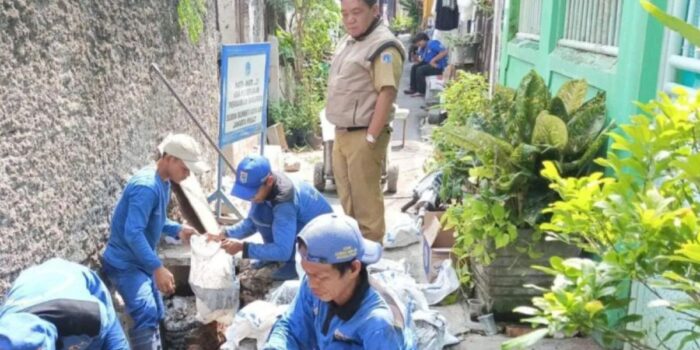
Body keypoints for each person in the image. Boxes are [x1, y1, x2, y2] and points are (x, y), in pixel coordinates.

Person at [101, 133, 207, 349]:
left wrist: (177, 229)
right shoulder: (147, 187)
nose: (187, 175)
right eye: (185, 169)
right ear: (170, 158)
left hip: (140, 260)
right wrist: (157, 268)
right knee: (146, 312)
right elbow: (133, 233)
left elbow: (154, 218)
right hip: (124, 264)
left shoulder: (164, 182)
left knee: (158, 311)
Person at [264, 214, 413, 349]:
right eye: (308, 274)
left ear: (353, 269)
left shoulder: (378, 325)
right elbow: (291, 327)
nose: (311, 284)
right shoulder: (314, 284)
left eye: (321, 277)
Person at [326, 0, 406, 243]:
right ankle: (355, 256)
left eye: (357, 12)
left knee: (366, 203)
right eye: (345, 13)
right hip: (342, 133)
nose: (349, 19)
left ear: (375, 11)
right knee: (348, 199)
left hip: (364, 135)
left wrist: (371, 136)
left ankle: (371, 257)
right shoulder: (351, 40)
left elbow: (387, 92)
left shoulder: (383, 46)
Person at [208, 154, 333, 281]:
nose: (249, 198)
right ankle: (275, 260)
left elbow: (282, 250)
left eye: (253, 193)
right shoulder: (265, 186)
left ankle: (291, 265)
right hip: (294, 235)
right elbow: (253, 222)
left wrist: (243, 247)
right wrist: (225, 233)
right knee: (262, 213)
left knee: (251, 280)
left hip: (318, 250)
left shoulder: (284, 204)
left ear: (269, 181)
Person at [0, 258, 129, 350]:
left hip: (88, 303)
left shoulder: (86, 316)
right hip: (35, 286)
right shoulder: (5, 328)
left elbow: (99, 331)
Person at [403, 32, 448, 97]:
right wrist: (415, 58)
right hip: (428, 64)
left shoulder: (432, 43)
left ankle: (421, 91)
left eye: (419, 42)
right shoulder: (422, 48)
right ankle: (413, 88)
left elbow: (444, 52)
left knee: (420, 70)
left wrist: (433, 60)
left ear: (424, 40)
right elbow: (422, 60)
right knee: (414, 67)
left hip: (437, 66)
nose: (418, 45)